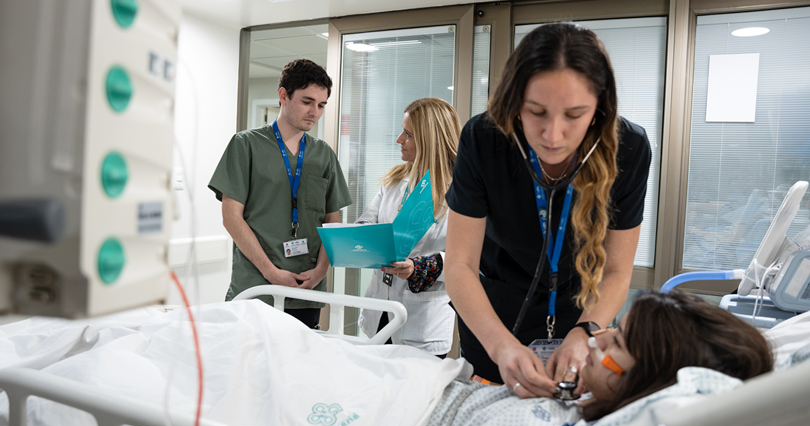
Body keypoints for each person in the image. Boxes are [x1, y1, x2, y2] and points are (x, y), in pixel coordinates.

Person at [191, 291, 772, 426]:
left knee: (248, 344)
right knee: (257, 329)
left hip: (399, 418)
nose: (596, 340)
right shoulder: (575, 406)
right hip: (421, 385)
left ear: (644, 384)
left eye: (614, 344)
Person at [443, 23, 653, 392]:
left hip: (583, 311)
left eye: (574, 115)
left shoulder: (629, 149)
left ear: (600, 109)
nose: (553, 135)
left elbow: (617, 271)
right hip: (493, 315)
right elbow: (460, 265)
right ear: (514, 104)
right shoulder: (483, 140)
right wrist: (501, 345)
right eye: (536, 112)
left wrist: (586, 333)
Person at [208, 59, 352, 329]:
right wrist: (271, 272)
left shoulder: (323, 155)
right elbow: (231, 217)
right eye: (307, 102)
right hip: (256, 287)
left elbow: (333, 221)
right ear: (283, 95)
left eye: (321, 105)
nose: (315, 112)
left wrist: (320, 271)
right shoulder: (246, 145)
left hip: (307, 290)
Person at [355, 98, 461, 357]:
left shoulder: (461, 193)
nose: (399, 139)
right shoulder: (395, 180)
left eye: (408, 134)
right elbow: (368, 220)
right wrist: (361, 235)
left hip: (422, 323)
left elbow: (470, 260)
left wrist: (419, 268)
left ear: (430, 140)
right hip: (380, 312)